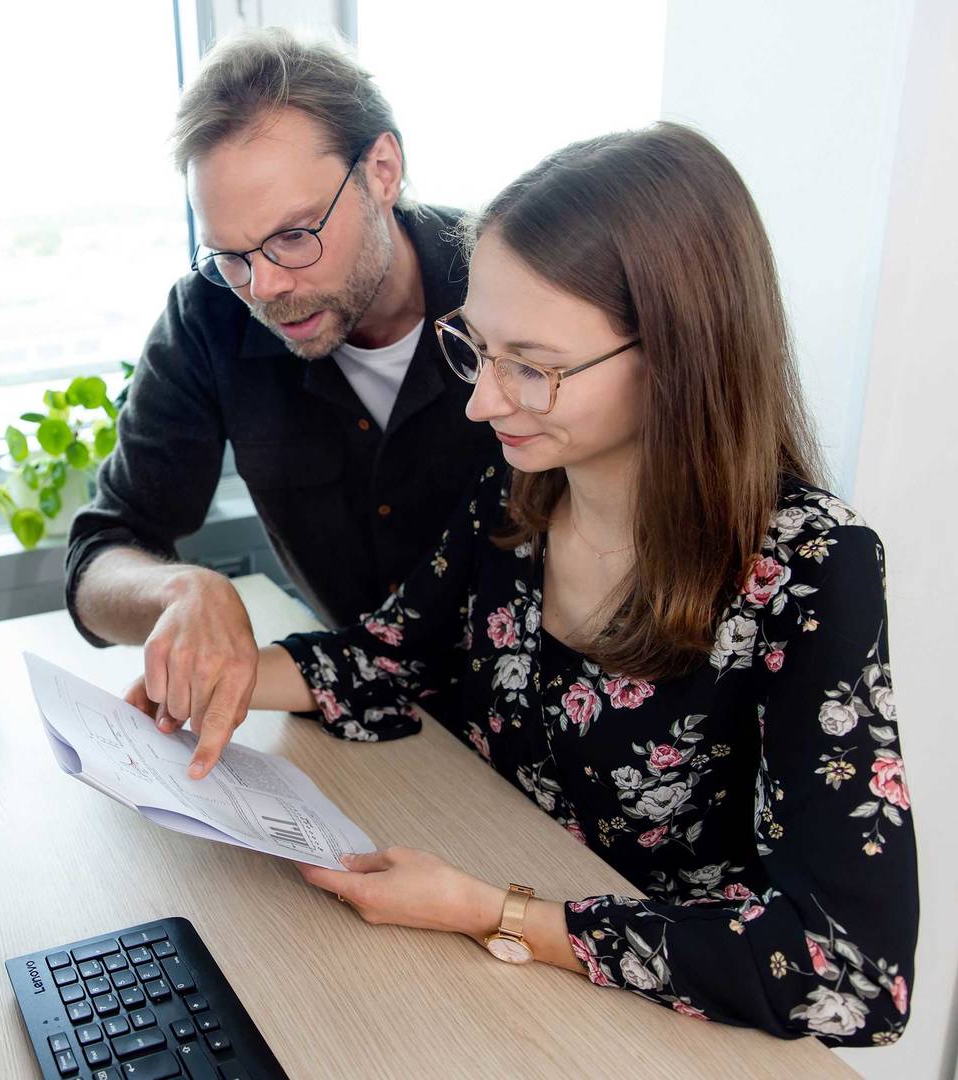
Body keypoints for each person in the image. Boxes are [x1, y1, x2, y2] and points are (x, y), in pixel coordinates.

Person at [133, 123, 919, 1045]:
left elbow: (854, 971)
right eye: (477, 348)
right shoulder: (524, 486)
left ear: (677, 354)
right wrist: (217, 671)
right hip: (497, 971)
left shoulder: (811, 567)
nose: (481, 400)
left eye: (533, 368)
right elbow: (395, 660)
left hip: (660, 1029)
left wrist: (493, 912)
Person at [66, 29, 498, 771]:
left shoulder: (506, 288)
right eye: (231, 255)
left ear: (383, 170)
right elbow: (99, 558)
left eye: (294, 236)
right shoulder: (210, 312)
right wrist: (179, 588)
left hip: (537, 741)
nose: (264, 288)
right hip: (351, 717)